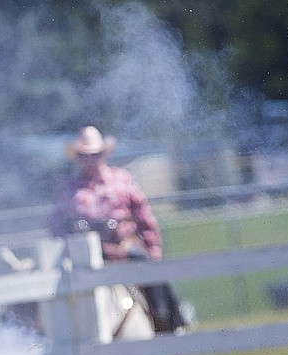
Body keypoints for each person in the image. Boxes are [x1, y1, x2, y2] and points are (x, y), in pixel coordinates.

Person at [49, 125, 190, 334]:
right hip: (85, 254)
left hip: (123, 248)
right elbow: (56, 225)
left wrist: (152, 248)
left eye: (94, 154)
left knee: (149, 266)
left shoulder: (121, 179)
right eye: (84, 155)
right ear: (77, 157)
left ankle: (169, 323)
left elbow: (144, 216)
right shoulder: (70, 189)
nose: (89, 160)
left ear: (102, 154)